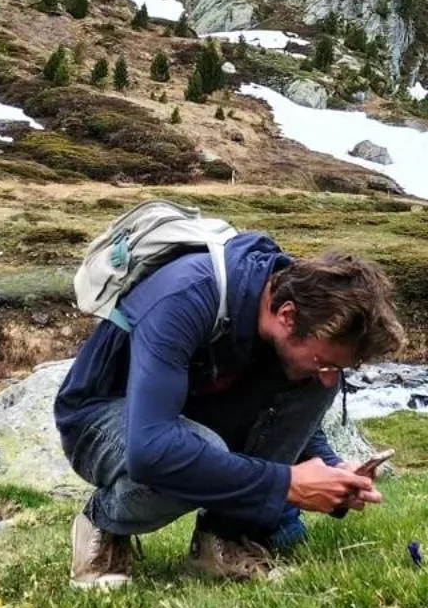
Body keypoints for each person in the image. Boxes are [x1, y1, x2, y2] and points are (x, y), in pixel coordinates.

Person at [55, 231, 404, 586]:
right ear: (287, 315)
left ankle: (223, 540)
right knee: (194, 453)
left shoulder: (286, 319)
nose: (331, 380)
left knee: (310, 382)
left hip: (187, 410)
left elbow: (283, 414)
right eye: (324, 360)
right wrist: (285, 485)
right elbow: (151, 449)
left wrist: (334, 473)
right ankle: (102, 522)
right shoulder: (187, 294)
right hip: (98, 418)